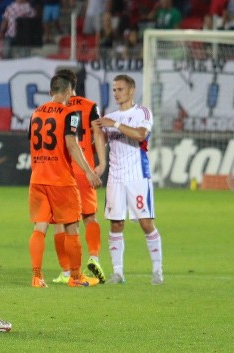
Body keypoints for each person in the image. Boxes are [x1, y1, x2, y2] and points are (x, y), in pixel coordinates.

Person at [28, 73, 101, 288]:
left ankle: (37, 276)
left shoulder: (35, 114)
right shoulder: (71, 114)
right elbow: (72, 144)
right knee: (72, 228)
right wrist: (88, 171)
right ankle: (76, 277)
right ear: (69, 92)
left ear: (51, 91)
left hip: (38, 178)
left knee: (39, 228)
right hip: (61, 180)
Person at [93, 75, 163, 285]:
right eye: (114, 90)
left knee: (146, 222)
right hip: (116, 177)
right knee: (116, 223)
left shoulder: (142, 112)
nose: (116, 93)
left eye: (120, 89)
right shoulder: (109, 117)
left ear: (131, 91)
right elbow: (98, 135)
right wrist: (102, 163)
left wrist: (114, 123)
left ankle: (157, 271)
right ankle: (118, 272)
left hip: (138, 177)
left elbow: (140, 135)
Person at [49, 69, 107, 285]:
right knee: (89, 216)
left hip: (61, 170)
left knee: (60, 223)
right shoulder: (89, 106)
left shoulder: (51, 109)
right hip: (85, 170)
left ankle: (65, 272)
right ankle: (94, 257)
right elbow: (98, 133)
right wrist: (101, 163)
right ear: (75, 85)